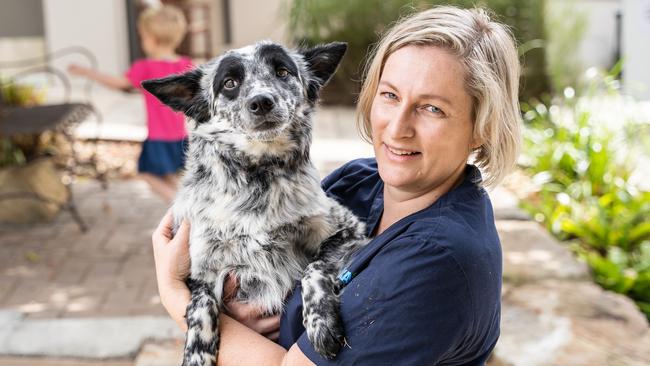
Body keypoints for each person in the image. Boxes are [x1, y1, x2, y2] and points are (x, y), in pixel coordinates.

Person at [152, 5, 521, 365]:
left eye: (432, 108)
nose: (397, 128)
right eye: (390, 95)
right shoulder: (360, 182)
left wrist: (173, 293)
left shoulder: (437, 260)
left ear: (481, 129)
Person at [69, 5, 192, 202]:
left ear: (152, 39)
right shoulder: (185, 65)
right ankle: (185, 208)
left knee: (145, 173)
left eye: (142, 37)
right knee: (170, 176)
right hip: (180, 136)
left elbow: (118, 83)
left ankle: (183, 207)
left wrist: (87, 72)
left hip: (158, 137)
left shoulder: (145, 68)